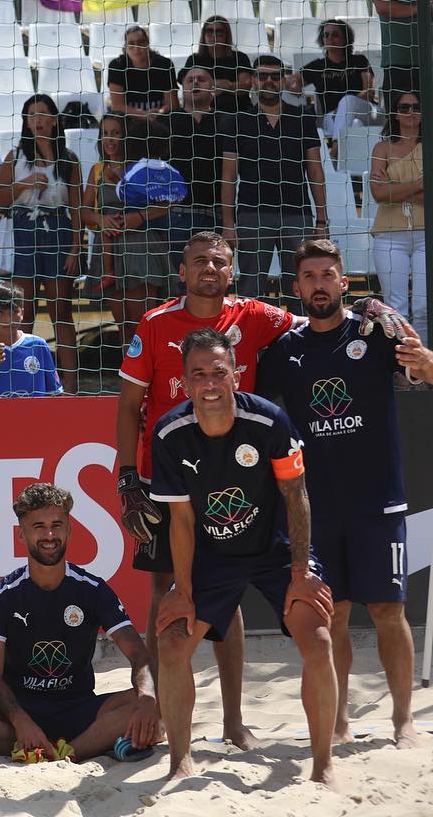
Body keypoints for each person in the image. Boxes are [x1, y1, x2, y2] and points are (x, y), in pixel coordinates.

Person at [115, 231, 296, 750]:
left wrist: (364, 304)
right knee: (164, 593)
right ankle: (165, 714)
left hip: (235, 479)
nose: (208, 270)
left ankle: (233, 720)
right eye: (198, 262)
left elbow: (313, 321)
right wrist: (128, 479)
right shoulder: (154, 325)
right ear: (182, 271)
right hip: (164, 477)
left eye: (218, 262)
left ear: (231, 272)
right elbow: (129, 407)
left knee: (226, 592)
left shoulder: (255, 316)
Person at [255, 239, 433, 748]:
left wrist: (422, 356)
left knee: (388, 611)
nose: (318, 284)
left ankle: (403, 721)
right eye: (308, 277)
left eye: (327, 275)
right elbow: (255, 410)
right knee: (333, 615)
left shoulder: (375, 334)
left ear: (344, 283)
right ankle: (337, 723)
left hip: (379, 501)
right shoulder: (286, 351)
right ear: (296, 289)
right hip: (316, 509)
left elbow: (425, 370)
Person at [150, 328, 338, 786]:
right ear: (185, 381)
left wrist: (300, 572)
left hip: (275, 550)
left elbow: (297, 497)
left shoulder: (270, 421)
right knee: (172, 642)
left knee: (318, 639)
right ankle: (180, 761)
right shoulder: (170, 433)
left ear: (236, 375)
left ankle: (323, 764)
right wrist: (183, 590)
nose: (210, 383)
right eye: (199, 375)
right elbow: (182, 522)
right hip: (212, 556)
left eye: (219, 372)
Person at [0, 483, 158, 764]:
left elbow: (139, 654)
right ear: (21, 534)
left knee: (159, 703)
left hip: (79, 709)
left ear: (69, 529)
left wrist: (147, 697)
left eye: (57, 525)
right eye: (38, 526)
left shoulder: (93, 589)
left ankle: (59, 755)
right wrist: (22, 721)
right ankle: (74, 746)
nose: (49, 535)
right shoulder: (0, 596)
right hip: (21, 710)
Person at [0, 94, 83, 389]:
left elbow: (78, 207)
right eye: (31, 115)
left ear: (55, 120)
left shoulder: (68, 159)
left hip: (58, 230)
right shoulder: (15, 157)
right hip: (24, 232)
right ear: (25, 122)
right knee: (23, 310)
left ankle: (70, 385)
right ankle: (21, 380)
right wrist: (26, 184)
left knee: (61, 310)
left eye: (43, 114)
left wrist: (75, 248)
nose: (38, 120)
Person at [220, 54, 328, 303]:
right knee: (249, 290)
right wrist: (228, 223)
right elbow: (228, 177)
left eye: (275, 76)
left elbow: (315, 171)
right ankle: (250, 341)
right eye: (262, 76)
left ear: (284, 80)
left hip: (297, 214)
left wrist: (321, 220)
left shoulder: (303, 118)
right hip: (252, 215)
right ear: (254, 81)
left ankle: (303, 342)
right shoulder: (237, 122)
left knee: (301, 288)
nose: (269, 81)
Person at [80, 115, 174, 343]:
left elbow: (167, 203)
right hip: (108, 249)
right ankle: (129, 375)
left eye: (116, 133)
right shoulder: (97, 170)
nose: (109, 139)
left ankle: (151, 375)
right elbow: (83, 211)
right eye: (105, 133)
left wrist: (138, 217)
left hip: (140, 248)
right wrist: (101, 220)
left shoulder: (143, 167)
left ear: (127, 136)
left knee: (144, 323)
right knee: (124, 326)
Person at [368, 92, 427, 339]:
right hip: (390, 235)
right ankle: (401, 369)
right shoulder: (382, 147)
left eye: (416, 107)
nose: (411, 112)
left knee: (425, 308)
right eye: (404, 107)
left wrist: (394, 187)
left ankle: (424, 365)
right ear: (395, 113)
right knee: (396, 308)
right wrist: (420, 184)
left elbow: (387, 192)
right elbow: (378, 194)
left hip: (426, 233)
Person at [0, 282, 63, 397]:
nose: (8, 319)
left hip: (34, 415)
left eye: (14, 311)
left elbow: (55, 394)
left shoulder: (38, 346)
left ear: (22, 312)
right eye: (0, 312)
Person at [166, 66, 225, 250]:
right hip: (175, 216)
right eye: (190, 80)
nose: (196, 82)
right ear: (182, 88)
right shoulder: (165, 122)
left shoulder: (228, 121)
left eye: (201, 79)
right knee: (177, 277)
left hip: (216, 215)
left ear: (212, 87)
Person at [295, 18, 378, 139]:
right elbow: (292, 80)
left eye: (335, 35)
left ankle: (333, 151)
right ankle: (339, 154)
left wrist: (342, 108)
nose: (329, 38)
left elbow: (369, 91)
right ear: (322, 39)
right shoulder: (317, 66)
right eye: (326, 35)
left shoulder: (359, 61)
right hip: (330, 116)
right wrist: (295, 84)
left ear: (345, 39)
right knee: (355, 126)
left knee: (347, 100)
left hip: (365, 110)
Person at [373, 0, 425, 105]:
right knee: (396, 119)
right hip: (396, 63)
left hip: (426, 62)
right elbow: (381, 6)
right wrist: (418, 8)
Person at [181, 15, 253, 111]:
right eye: (209, 31)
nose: (214, 36)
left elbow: (246, 85)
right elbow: (186, 83)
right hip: (201, 112)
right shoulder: (194, 59)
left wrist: (227, 85)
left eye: (219, 32)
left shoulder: (239, 58)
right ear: (203, 35)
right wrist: (218, 84)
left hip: (236, 111)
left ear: (227, 35)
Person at [105, 25, 178, 117]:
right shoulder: (117, 66)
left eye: (141, 42)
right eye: (131, 43)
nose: (136, 48)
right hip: (128, 119)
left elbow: (173, 105)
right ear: (126, 47)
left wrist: (160, 112)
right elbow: (117, 106)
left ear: (147, 44)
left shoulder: (164, 64)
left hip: (160, 118)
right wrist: (144, 114)